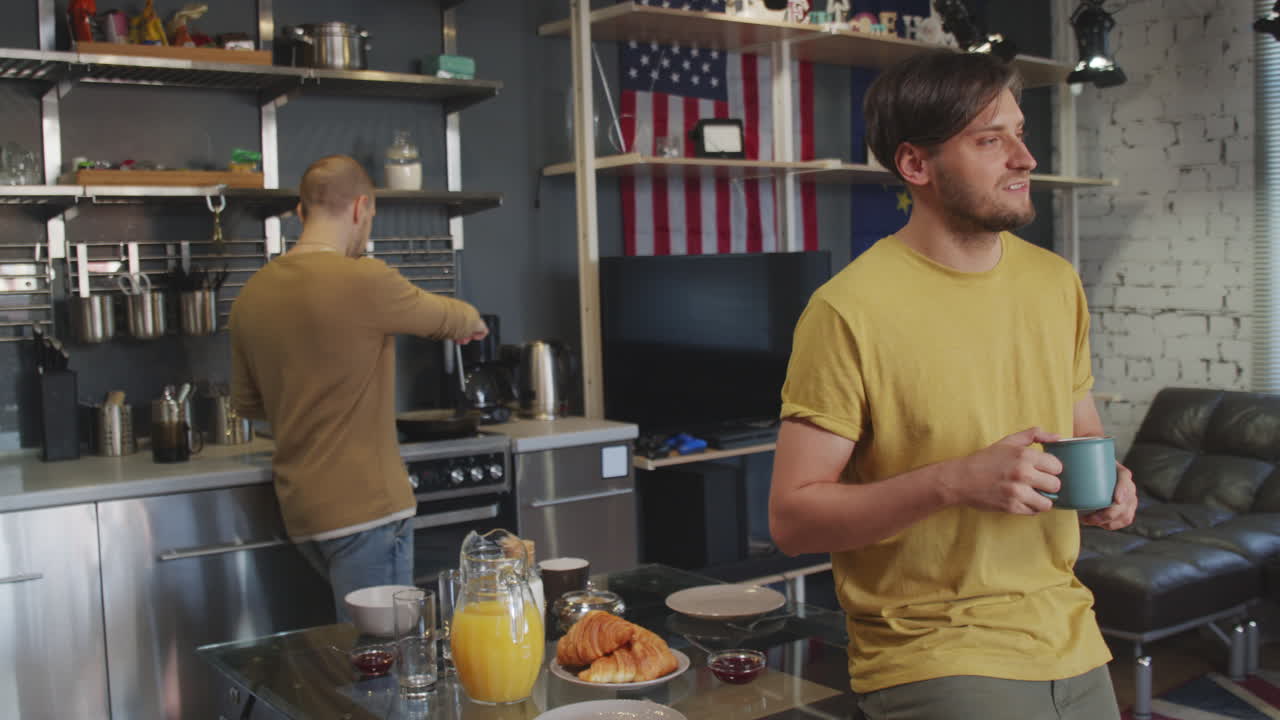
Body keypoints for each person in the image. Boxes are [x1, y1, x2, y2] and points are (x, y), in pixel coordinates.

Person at [768, 50, 1138, 720]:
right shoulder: (847, 310)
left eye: (1020, 134)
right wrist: (955, 481)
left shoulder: (1055, 282)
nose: (1024, 158)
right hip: (935, 650)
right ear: (916, 166)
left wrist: (1111, 480)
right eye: (991, 140)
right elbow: (793, 520)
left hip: (1072, 632)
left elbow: (1082, 432)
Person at [230, 155, 488, 621]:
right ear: (360, 207)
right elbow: (454, 317)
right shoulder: (365, 279)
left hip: (303, 514)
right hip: (367, 510)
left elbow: (249, 405)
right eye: (369, 217)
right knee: (384, 659)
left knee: (341, 655)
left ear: (301, 210)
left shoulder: (251, 296)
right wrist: (471, 323)